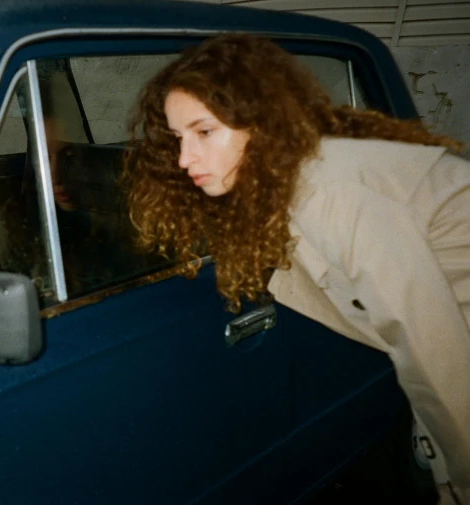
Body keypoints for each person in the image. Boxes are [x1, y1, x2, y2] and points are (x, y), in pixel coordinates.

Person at [124, 34, 470, 504]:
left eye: (204, 132)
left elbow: (434, 350)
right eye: (178, 138)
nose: (184, 158)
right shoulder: (288, 187)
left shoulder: (329, 192)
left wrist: (460, 481)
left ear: (262, 124)